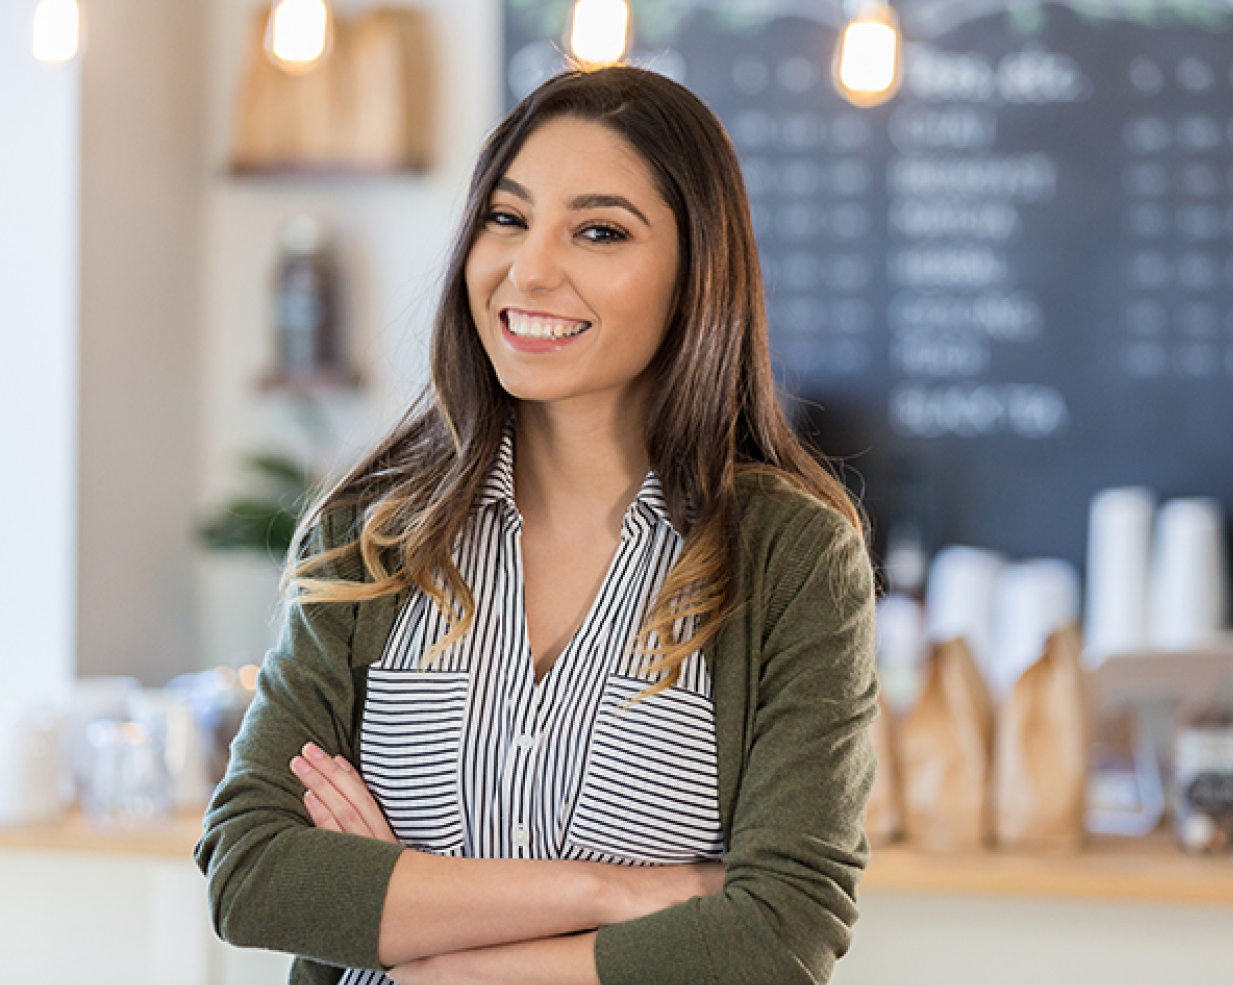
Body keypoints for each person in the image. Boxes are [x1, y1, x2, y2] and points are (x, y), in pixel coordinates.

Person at [195, 64, 878, 985]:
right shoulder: (372, 534)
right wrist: (611, 892)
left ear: (694, 274)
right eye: (507, 219)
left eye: (599, 231)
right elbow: (253, 874)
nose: (531, 269)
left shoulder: (791, 557)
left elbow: (778, 933)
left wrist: (426, 934)